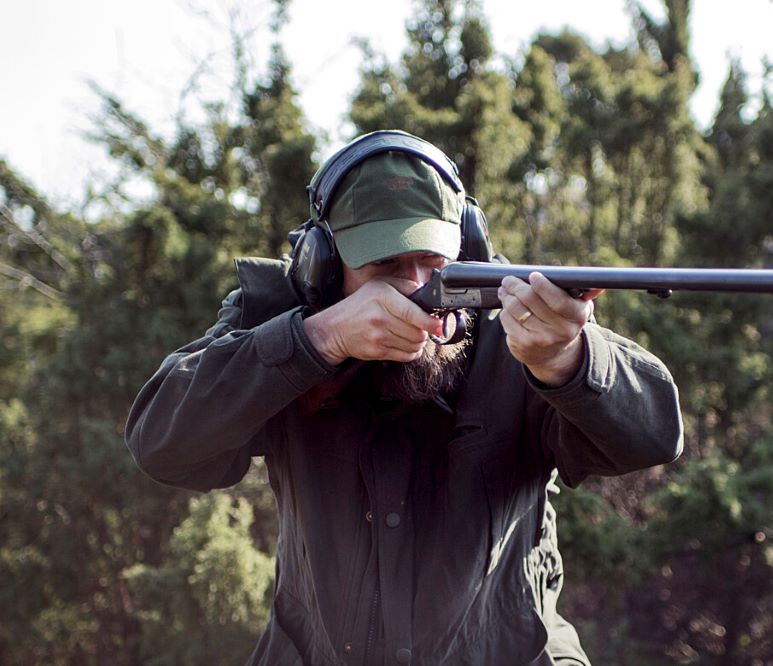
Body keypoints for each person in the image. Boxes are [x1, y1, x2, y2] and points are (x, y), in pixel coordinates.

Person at [125, 130, 683, 666]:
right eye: (386, 266)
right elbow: (161, 442)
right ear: (324, 270)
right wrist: (315, 341)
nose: (418, 287)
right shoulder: (285, 328)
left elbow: (653, 436)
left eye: (433, 263)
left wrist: (567, 361)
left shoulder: (523, 331)